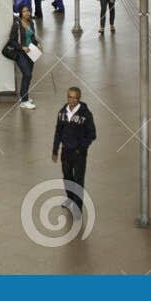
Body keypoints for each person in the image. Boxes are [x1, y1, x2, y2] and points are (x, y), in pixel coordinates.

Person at [50, 86, 97, 216]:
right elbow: (58, 132)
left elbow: (92, 134)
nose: (72, 100)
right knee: (67, 177)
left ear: (79, 98)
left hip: (79, 154)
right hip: (65, 152)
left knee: (78, 179)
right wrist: (55, 150)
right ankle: (70, 198)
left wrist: (81, 148)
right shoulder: (62, 112)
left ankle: (77, 206)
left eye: (74, 98)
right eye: (69, 97)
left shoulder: (86, 114)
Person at [7, 6, 39, 109]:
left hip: (31, 52)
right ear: (20, 13)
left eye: (28, 11)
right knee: (27, 74)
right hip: (20, 53)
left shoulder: (31, 23)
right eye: (24, 11)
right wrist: (22, 47)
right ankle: (24, 101)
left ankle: (23, 96)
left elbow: (32, 37)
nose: (27, 13)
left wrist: (37, 44)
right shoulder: (17, 24)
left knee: (29, 75)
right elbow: (12, 40)